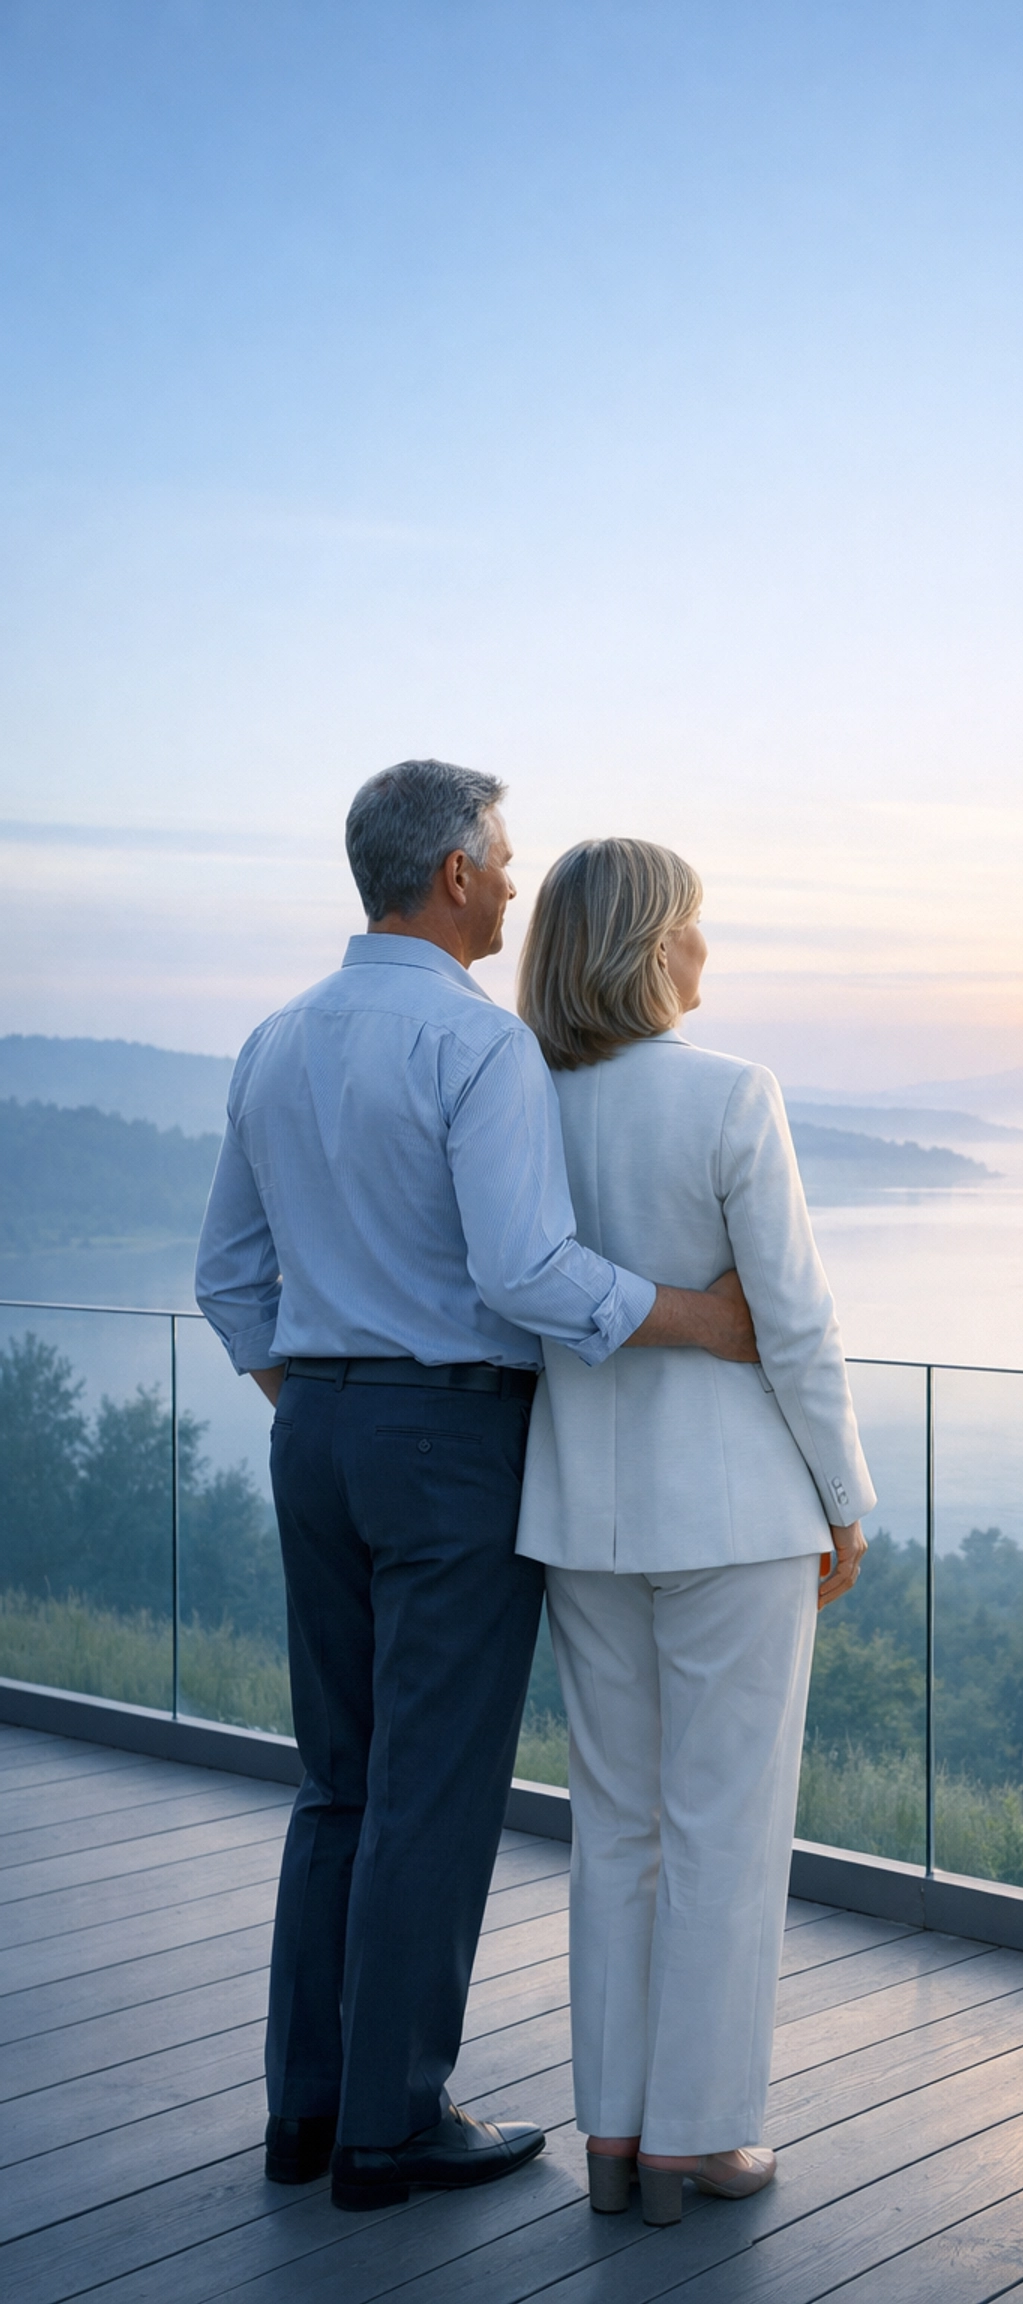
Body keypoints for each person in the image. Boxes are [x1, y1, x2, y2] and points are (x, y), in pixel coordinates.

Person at [195, 763, 759, 2214]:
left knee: (337, 1784)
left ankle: (306, 2117)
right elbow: (523, 1271)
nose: (516, 883)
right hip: (447, 1443)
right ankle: (392, 2127)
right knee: (430, 1797)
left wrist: (325, 1396)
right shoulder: (478, 1047)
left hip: (312, 1431)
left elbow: (227, 1280)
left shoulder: (273, 1039)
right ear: (451, 873)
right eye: (501, 862)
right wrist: (704, 1317)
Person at [515, 837, 876, 2228]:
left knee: (615, 1831)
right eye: (693, 927)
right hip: (732, 1517)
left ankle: (611, 2139)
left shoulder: (521, 1105)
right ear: (646, 945)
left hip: (581, 1517)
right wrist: (844, 1498)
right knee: (727, 1830)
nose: (707, 953)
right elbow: (795, 1318)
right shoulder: (733, 1094)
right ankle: (703, 2140)